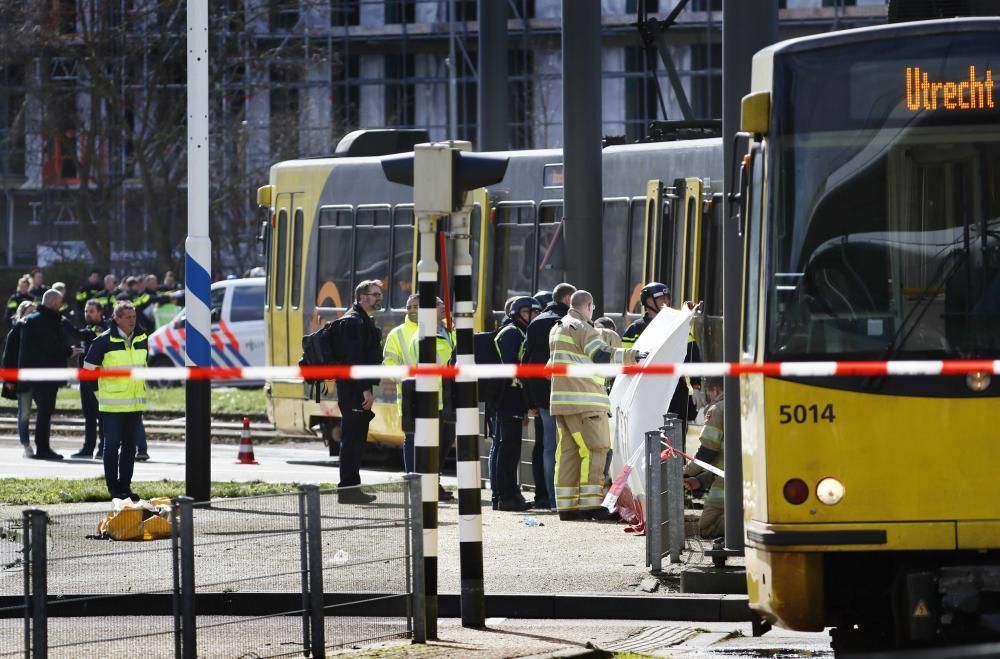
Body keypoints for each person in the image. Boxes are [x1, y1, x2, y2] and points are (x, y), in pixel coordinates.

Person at [548, 290, 645, 521]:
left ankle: (567, 507)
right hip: (586, 401)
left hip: (562, 402)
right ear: (590, 306)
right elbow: (600, 354)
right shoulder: (583, 328)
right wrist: (633, 356)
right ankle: (592, 505)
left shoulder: (557, 328)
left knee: (568, 454)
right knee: (596, 450)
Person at [83, 301, 148, 499]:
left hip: (135, 403)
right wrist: (98, 393)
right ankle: (113, 488)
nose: (132, 321)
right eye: (128, 317)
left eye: (134, 317)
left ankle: (125, 487)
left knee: (130, 447)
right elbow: (88, 371)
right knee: (111, 446)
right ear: (116, 319)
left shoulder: (142, 337)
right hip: (112, 405)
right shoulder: (103, 341)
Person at [521, 283, 576, 511]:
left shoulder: (536, 322)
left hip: (544, 397)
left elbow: (527, 363)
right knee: (572, 447)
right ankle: (569, 497)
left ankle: (552, 499)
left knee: (549, 447)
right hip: (572, 394)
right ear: (568, 299)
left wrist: (531, 400)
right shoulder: (572, 323)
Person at [622, 282, 701, 431]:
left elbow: (692, 356)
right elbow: (625, 362)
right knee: (648, 434)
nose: (666, 302)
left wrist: (696, 386)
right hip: (646, 392)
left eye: (667, 298)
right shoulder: (634, 330)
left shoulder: (677, 326)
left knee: (676, 436)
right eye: (661, 298)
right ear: (649, 301)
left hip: (676, 391)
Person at [332, 280, 384, 504]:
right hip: (353, 389)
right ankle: (348, 490)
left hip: (356, 387)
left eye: (380, 294)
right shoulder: (354, 322)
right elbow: (354, 360)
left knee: (356, 439)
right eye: (375, 294)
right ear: (362, 296)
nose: (379, 298)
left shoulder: (362, 319)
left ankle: (351, 487)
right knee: (352, 440)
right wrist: (365, 389)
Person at [492, 295, 541, 511]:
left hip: (515, 397)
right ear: (518, 313)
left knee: (511, 449)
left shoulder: (521, 332)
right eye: (530, 312)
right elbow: (513, 365)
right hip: (507, 397)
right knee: (507, 449)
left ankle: (511, 494)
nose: (533, 316)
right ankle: (506, 497)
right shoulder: (511, 333)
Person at [19, 289, 81, 461]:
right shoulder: (46, 321)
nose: (62, 305)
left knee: (44, 412)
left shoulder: (34, 319)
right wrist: (69, 351)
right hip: (46, 373)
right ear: (53, 302)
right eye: (60, 301)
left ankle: (43, 447)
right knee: (45, 412)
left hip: (35, 373)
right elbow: (51, 346)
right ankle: (43, 449)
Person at [405, 297, 456, 501]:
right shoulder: (423, 337)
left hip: (446, 398)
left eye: (444, 303)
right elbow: (436, 367)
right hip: (432, 400)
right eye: (437, 304)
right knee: (431, 447)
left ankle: (433, 484)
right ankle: (425, 489)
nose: (444, 306)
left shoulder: (446, 332)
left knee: (443, 444)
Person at [684, 377, 725, 539]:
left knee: (707, 528)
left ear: (715, 390)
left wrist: (688, 471)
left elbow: (709, 449)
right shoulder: (749, 406)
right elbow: (727, 459)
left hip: (726, 487)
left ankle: (743, 526)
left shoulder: (717, 410)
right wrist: (700, 481)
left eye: (708, 393)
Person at [70, 300, 108, 459]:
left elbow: (87, 336)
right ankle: (88, 448)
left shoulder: (101, 329)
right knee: (89, 415)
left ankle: (103, 448)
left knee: (102, 416)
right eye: (86, 311)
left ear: (100, 313)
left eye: (91, 311)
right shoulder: (88, 329)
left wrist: (64, 322)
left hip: (98, 379)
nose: (88, 314)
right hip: (85, 379)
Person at [3, 300, 37, 457]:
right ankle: (26, 446)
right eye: (28, 311)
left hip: (39, 379)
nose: (31, 315)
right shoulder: (15, 332)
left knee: (44, 412)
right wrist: (9, 380)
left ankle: (42, 444)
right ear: (21, 313)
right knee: (24, 413)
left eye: (33, 311)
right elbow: (8, 356)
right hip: (22, 379)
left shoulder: (39, 330)